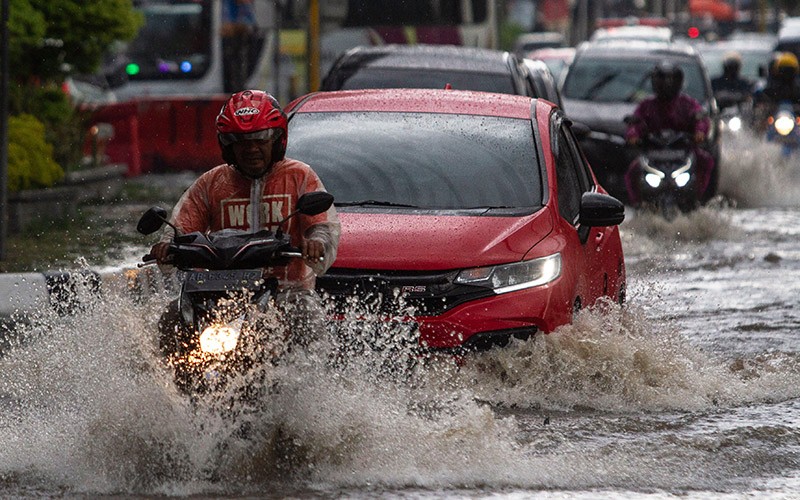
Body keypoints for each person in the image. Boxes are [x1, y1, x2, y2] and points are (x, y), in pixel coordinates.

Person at [151, 89, 340, 346]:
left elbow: (323, 226)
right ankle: (165, 385)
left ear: (276, 140)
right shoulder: (211, 182)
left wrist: (316, 243)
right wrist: (166, 245)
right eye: (241, 141)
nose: (251, 149)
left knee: (307, 320)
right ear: (228, 145)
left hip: (287, 292)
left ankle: (307, 385)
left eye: (260, 139)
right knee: (172, 320)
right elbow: (180, 226)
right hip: (219, 292)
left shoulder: (300, 176)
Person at [624, 61, 714, 206]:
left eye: (671, 81)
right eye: (662, 80)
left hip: (683, 152)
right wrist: (633, 136)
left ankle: (700, 199)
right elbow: (635, 123)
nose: (667, 85)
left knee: (706, 161)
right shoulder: (647, 105)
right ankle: (637, 204)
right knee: (634, 169)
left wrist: (700, 132)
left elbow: (701, 119)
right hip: (653, 153)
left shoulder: (687, 103)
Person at [752, 52, 800, 131]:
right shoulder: (771, 88)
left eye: (790, 70)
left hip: (794, 121)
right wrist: (764, 105)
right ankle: (758, 139)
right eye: (785, 70)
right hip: (775, 120)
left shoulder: (797, 88)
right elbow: (761, 96)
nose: (787, 74)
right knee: (761, 123)